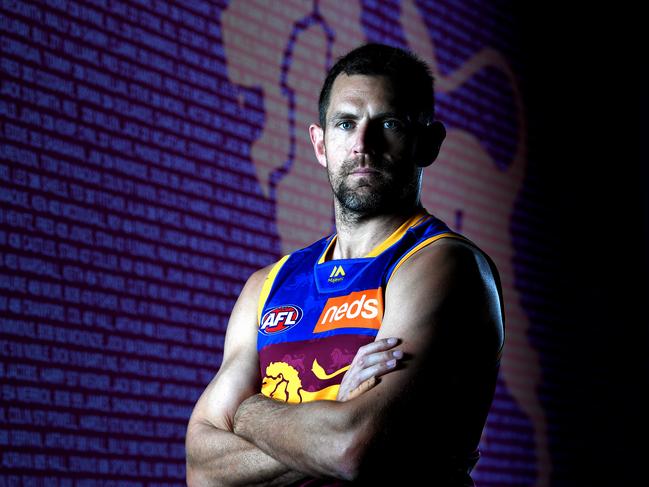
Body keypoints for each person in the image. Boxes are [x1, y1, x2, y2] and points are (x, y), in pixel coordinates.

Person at [185, 43, 504, 486]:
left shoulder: (445, 267)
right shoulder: (267, 286)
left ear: (427, 144)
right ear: (320, 144)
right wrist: (337, 404)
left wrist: (246, 412)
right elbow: (203, 470)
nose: (362, 145)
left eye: (388, 124)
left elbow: (353, 448)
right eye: (345, 124)